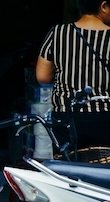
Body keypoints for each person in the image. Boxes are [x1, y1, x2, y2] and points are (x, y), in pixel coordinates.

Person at [36, 0, 110, 150]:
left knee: (68, 168)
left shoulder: (57, 33)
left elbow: (43, 77)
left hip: (65, 118)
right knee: (103, 169)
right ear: (103, 6)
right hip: (105, 118)